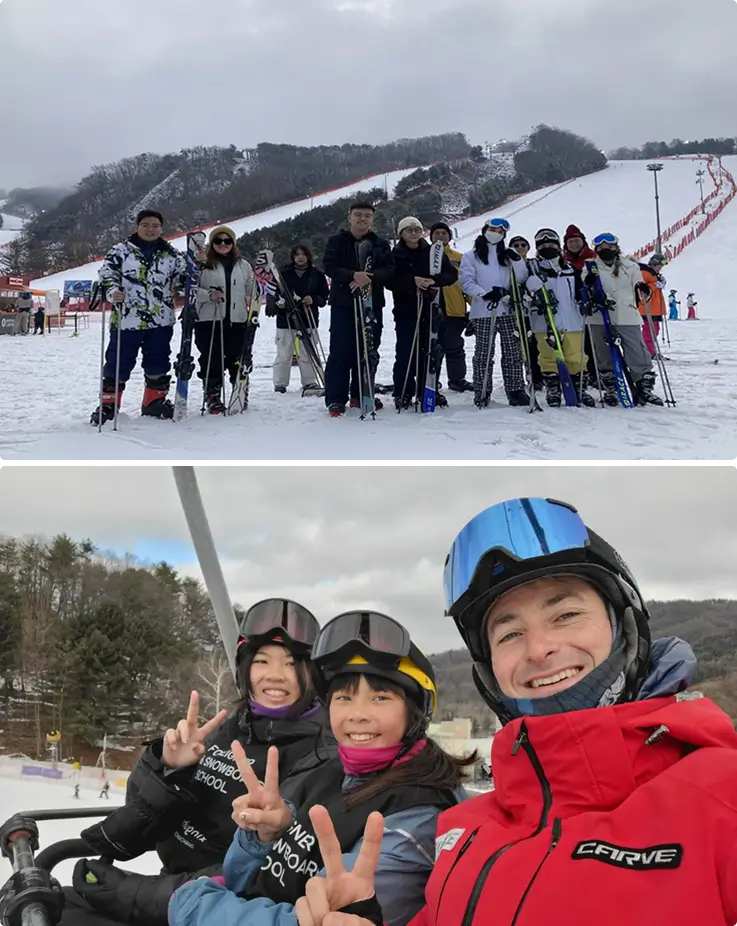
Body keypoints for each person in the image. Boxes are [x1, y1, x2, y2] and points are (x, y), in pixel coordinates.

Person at [296, 497, 737, 926]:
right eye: (508, 634)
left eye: (565, 614)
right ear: (489, 671)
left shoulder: (721, 797)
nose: (540, 648)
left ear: (624, 624)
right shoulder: (464, 831)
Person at [169, 609, 472, 926]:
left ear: (413, 714)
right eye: (344, 698)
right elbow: (239, 879)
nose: (358, 714)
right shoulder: (332, 774)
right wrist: (262, 838)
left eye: (380, 698)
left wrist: (191, 905)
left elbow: (323, 920)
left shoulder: (415, 818)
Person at [67, 600, 335, 926]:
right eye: (262, 661)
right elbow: (141, 823)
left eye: (291, 664)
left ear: (311, 673)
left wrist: (137, 893)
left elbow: (268, 872)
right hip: (170, 886)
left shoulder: (321, 754)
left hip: (215, 906)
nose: (275, 676)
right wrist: (169, 768)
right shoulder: (230, 727)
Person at [90, 210, 203, 426]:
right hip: (127, 319)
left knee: (158, 361)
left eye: (155, 225)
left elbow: (184, 281)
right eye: (145, 225)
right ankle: (108, 404)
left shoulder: (170, 254)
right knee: (118, 363)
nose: (150, 229)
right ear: (137, 226)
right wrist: (113, 291)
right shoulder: (120, 251)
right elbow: (106, 274)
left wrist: (196, 264)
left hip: (160, 320)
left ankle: (154, 401)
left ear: (161, 228)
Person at [322, 202, 395, 417]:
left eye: (367, 216)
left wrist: (367, 278)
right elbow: (329, 266)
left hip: (371, 303)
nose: (362, 219)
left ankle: (362, 392)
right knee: (340, 351)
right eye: (358, 215)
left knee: (368, 348)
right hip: (343, 303)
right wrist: (352, 275)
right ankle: (336, 398)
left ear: (372, 219)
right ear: (349, 217)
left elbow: (389, 269)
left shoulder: (380, 243)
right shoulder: (337, 242)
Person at [583, 233, 663, 407]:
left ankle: (644, 387)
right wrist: (588, 288)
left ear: (616, 247)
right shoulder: (590, 266)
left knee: (636, 351)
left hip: (627, 314)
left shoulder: (630, 266)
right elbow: (583, 289)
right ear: (596, 249)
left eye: (610, 247)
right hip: (599, 317)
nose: (606, 250)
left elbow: (638, 283)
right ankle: (612, 389)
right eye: (602, 247)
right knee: (603, 354)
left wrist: (641, 288)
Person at [459, 218, 530, 407]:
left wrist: (518, 261)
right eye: (492, 229)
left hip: (507, 310)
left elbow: (521, 278)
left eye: (500, 231)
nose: (495, 232)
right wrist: (484, 294)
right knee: (483, 353)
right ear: (484, 230)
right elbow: (466, 282)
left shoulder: (508, 254)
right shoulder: (471, 256)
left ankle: (515, 390)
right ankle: (482, 390)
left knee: (512, 352)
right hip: (484, 311)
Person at [388, 218, 458, 409]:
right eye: (408, 230)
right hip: (406, 310)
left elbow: (451, 275)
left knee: (432, 351)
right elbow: (390, 280)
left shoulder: (433, 252)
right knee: (406, 352)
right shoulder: (396, 254)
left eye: (417, 229)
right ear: (402, 233)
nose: (413, 233)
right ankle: (403, 391)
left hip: (432, 309)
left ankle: (428, 388)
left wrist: (433, 281)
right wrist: (413, 281)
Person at [526, 228, 595, 407]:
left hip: (571, 320)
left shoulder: (571, 269)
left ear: (558, 246)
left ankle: (580, 388)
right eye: (542, 245)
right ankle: (553, 389)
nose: (547, 247)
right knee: (548, 357)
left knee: (576, 356)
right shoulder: (531, 268)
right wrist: (531, 294)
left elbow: (581, 291)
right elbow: (523, 290)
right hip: (544, 322)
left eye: (551, 244)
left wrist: (584, 301)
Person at [194, 226, 256, 415]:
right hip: (209, 319)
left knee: (237, 358)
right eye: (218, 241)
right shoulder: (202, 264)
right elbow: (187, 289)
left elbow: (251, 287)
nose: (223, 244)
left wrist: (257, 290)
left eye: (227, 241)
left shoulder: (243, 265)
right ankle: (213, 394)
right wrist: (208, 295)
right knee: (211, 359)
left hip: (237, 320)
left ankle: (239, 390)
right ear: (212, 244)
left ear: (233, 243)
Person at [266, 244, 328, 396]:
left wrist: (313, 299)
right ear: (293, 257)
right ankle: (280, 384)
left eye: (303, 254)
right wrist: (275, 303)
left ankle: (309, 381)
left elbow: (324, 297)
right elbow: (272, 292)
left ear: (308, 256)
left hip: (307, 318)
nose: (300, 257)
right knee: (284, 353)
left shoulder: (317, 274)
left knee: (307, 353)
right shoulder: (283, 273)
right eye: (297, 254)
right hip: (286, 319)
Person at [429, 222, 473, 393]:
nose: (440, 236)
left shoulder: (460, 258)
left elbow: (467, 284)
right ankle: (432, 379)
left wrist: (473, 307)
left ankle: (457, 379)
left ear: (449, 236)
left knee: (454, 346)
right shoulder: (426, 255)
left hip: (455, 309)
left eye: (443, 233)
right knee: (434, 347)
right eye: (437, 233)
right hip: (432, 309)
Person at [637, 253, 667, 358]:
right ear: (655, 263)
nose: (661, 267)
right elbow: (641, 289)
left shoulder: (653, 273)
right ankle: (648, 353)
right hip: (647, 307)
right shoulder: (644, 272)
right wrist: (655, 285)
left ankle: (651, 351)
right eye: (660, 265)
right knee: (649, 332)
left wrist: (660, 282)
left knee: (654, 331)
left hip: (654, 308)